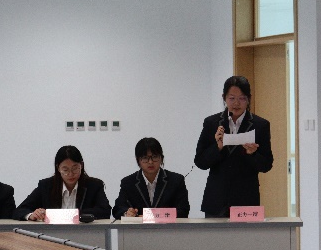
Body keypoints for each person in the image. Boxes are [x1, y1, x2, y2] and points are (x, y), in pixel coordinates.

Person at [194, 76, 273, 217]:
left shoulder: (260, 125)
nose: (236, 103)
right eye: (232, 98)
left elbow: (266, 165)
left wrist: (253, 154)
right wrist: (217, 147)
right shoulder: (211, 123)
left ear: (248, 99)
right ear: (224, 98)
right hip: (216, 200)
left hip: (246, 199)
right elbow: (200, 162)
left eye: (242, 98)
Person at [13, 145, 111, 220]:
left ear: (81, 165)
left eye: (75, 168)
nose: (70, 174)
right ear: (58, 168)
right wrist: (32, 215)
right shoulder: (46, 186)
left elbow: (105, 211)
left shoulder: (94, 185)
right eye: (65, 170)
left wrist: (72, 214)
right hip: (52, 235)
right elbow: (20, 210)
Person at [112, 137, 190, 219]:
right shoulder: (128, 182)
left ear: (161, 158)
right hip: (138, 227)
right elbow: (118, 209)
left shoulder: (176, 181)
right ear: (138, 160)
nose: (150, 162)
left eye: (155, 157)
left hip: (167, 227)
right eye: (145, 158)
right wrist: (127, 213)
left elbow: (183, 211)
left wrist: (149, 216)